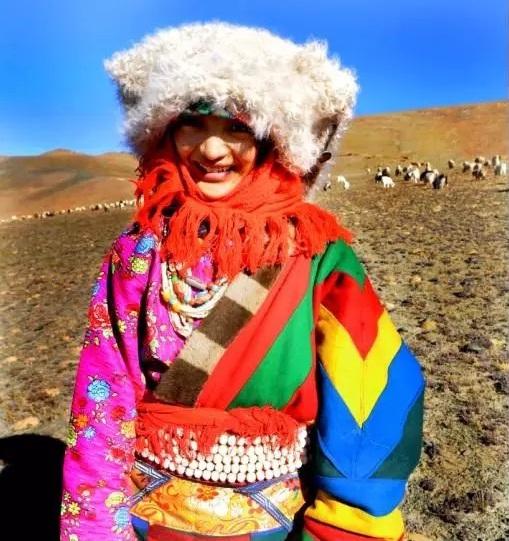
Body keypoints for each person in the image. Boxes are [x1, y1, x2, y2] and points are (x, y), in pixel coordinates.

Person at [60, 22, 425, 541]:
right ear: (164, 132)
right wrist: (97, 526)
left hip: (274, 525)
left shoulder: (318, 255)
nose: (212, 150)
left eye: (238, 128)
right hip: (145, 522)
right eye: (193, 124)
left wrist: (347, 524)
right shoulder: (137, 251)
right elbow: (103, 394)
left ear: (274, 139)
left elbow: (370, 391)